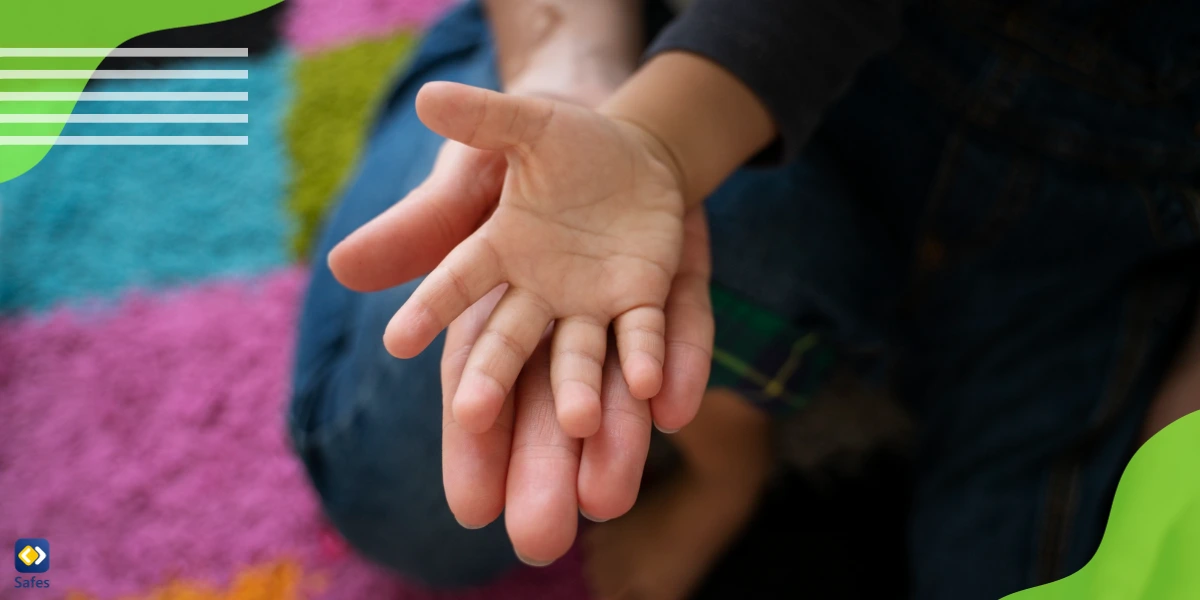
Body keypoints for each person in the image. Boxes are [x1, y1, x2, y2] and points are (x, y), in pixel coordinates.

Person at [292, 1, 1200, 599]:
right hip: (726, 71)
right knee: (417, 505)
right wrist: (602, 103)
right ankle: (732, 417)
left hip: (1097, 232)